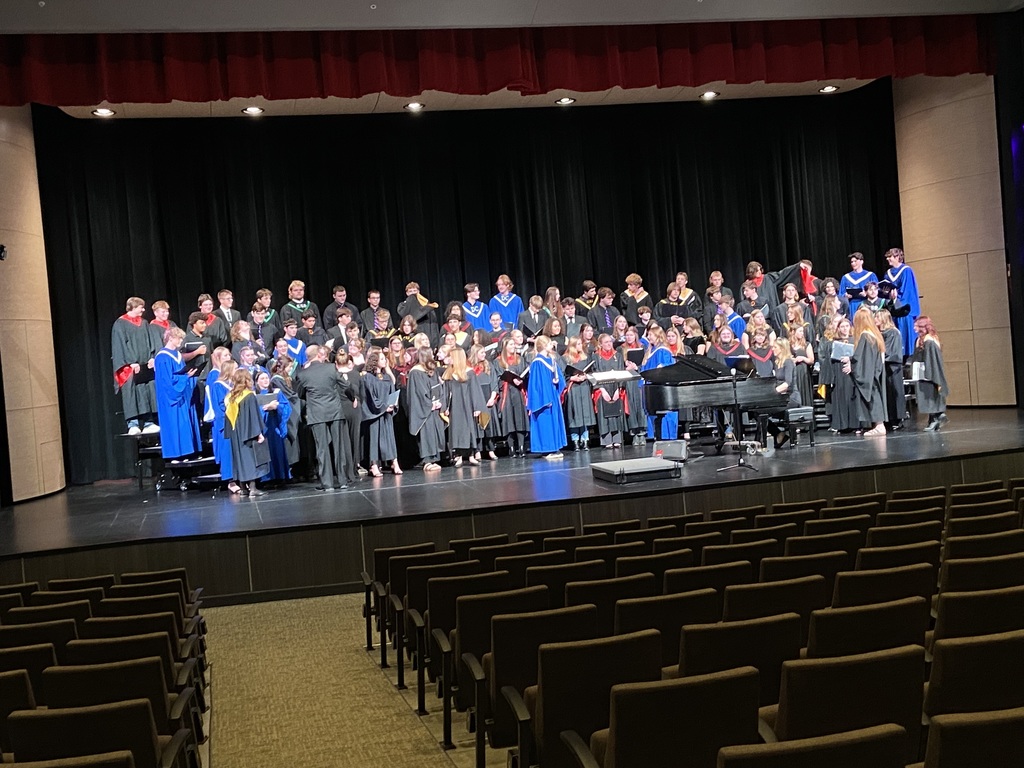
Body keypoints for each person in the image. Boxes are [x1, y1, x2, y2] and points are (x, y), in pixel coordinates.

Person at [295, 344, 354, 490]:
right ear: (319, 354)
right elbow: (346, 386)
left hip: (316, 413)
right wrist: (353, 398)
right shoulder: (330, 368)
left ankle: (327, 484)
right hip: (334, 411)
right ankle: (342, 481)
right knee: (339, 446)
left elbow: (299, 393)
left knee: (322, 449)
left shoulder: (303, 374)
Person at [153, 327, 201, 459]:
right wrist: (185, 378)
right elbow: (167, 382)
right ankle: (176, 455)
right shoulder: (162, 357)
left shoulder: (178, 355)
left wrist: (189, 375)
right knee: (175, 425)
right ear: (170, 338)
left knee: (185, 423)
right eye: (179, 338)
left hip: (183, 394)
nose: (181, 341)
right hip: (171, 399)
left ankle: (189, 452)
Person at [112, 297, 158, 435]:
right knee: (132, 393)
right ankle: (133, 423)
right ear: (133, 307)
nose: (143, 310)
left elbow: (151, 342)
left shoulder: (144, 323)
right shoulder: (120, 324)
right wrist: (130, 362)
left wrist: (151, 358)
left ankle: (149, 421)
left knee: (147, 390)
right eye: (141, 307)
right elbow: (119, 346)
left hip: (145, 366)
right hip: (129, 367)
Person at [224, 369, 271, 496]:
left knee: (239, 459)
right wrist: (259, 433)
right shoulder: (248, 395)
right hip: (248, 432)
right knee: (250, 459)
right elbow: (254, 416)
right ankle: (253, 489)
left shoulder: (230, 397)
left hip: (236, 434)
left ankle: (243, 489)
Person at [844, 308, 887, 437]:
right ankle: (878, 425)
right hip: (875, 372)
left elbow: (861, 358)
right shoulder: (874, 334)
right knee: (875, 395)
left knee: (874, 396)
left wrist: (851, 364)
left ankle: (879, 426)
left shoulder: (865, 336)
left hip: (870, 373)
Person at [361, 348, 402, 476]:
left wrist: (392, 404)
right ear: (375, 361)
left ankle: (394, 462)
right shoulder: (367, 377)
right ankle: (374, 465)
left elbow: (392, 393)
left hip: (387, 413)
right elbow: (370, 397)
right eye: (382, 359)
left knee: (390, 438)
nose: (385, 361)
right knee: (374, 439)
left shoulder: (386, 377)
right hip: (375, 414)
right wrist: (383, 407)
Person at [442, 347, 486, 466]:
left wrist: (476, 407)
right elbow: (446, 392)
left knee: (468, 429)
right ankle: (459, 456)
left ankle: (471, 455)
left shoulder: (469, 373)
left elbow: (475, 391)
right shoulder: (449, 373)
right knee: (457, 430)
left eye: (451, 357)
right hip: (455, 407)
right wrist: (445, 407)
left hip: (467, 406)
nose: (448, 359)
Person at [406, 348, 447, 471]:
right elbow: (418, 393)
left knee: (434, 432)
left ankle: (434, 458)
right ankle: (426, 460)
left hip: (434, 407)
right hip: (425, 408)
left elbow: (439, 387)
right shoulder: (416, 372)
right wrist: (430, 404)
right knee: (426, 433)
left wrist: (440, 401)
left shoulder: (432, 371)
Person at [527, 335, 567, 459]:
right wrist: (545, 398)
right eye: (550, 344)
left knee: (554, 421)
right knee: (545, 422)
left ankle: (554, 447)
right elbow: (537, 384)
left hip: (553, 395)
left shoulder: (552, 360)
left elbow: (559, 377)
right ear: (544, 346)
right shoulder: (537, 363)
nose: (552, 346)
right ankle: (546, 449)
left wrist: (557, 380)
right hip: (544, 399)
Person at [641, 325, 679, 440]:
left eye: (650, 335)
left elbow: (665, 370)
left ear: (657, 336)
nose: (648, 337)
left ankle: (668, 439)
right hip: (652, 390)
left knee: (665, 416)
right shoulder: (651, 351)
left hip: (662, 392)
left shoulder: (663, 351)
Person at [254, 370, 292, 483]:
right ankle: (267, 479)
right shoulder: (253, 394)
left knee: (277, 450)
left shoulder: (277, 392)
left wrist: (277, 407)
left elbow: (286, 407)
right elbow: (253, 411)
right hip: (263, 428)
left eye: (267, 378)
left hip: (275, 425)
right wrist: (265, 408)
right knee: (265, 451)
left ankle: (280, 477)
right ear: (256, 382)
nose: (265, 380)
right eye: (262, 378)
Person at [883, 247, 921, 358]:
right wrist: (886, 293)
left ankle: (908, 358)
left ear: (897, 257)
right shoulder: (888, 273)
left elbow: (907, 290)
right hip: (893, 310)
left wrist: (896, 298)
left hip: (904, 310)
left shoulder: (906, 271)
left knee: (906, 337)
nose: (888, 259)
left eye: (890, 257)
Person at [495, 336, 529, 457]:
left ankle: (521, 446)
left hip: (518, 392)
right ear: (504, 347)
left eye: (513, 344)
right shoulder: (498, 361)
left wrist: (521, 380)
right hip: (506, 393)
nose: (513, 347)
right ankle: (511, 448)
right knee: (508, 419)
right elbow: (497, 377)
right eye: (510, 344)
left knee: (520, 419)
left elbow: (525, 373)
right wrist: (509, 380)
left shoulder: (520, 359)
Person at [914, 315, 949, 431]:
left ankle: (935, 418)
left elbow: (930, 360)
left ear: (923, 327)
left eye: (917, 326)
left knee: (930, 395)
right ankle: (935, 419)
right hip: (926, 372)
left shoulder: (929, 341)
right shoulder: (924, 339)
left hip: (928, 373)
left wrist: (929, 374)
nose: (914, 329)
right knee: (930, 395)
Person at [209, 360, 240, 493]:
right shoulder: (218, 386)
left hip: (237, 423)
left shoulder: (234, 384)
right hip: (226, 425)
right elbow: (220, 406)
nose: (238, 370)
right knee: (227, 452)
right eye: (236, 368)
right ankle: (231, 481)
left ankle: (241, 478)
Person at [591, 333, 626, 448]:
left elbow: (621, 372)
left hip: (615, 388)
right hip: (602, 389)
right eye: (606, 342)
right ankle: (606, 440)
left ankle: (617, 439)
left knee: (616, 413)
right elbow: (594, 373)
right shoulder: (596, 356)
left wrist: (618, 389)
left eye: (610, 342)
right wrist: (602, 390)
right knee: (604, 414)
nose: (609, 344)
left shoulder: (618, 356)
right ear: (600, 344)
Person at [269, 355, 301, 472]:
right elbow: (289, 396)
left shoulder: (283, 379)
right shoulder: (276, 380)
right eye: (289, 367)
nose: (290, 369)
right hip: (284, 416)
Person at [562, 336, 595, 451]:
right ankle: (575, 440)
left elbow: (592, 371)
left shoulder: (586, 357)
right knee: (575, 414)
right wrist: (572, 378)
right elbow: (563, 375)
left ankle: (585, 440)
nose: (581, 346)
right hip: (573, 388)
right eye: (579, 344)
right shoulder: (565, 359)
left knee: (585, 413)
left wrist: (586, 376)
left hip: (584, 387)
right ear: (573, 345)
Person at [470, 344, 502, 460]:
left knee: (489, 425)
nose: (484, 354)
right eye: (481, 353)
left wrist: (492, 397)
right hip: (477, 397)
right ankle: (477, 450)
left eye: (484, 352)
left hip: (488, 395)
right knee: (478, 425)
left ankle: (491, 449)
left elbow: (494, 382)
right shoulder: (470, 368)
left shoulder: (489, 365)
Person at [875, 309, 906, 430]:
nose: (875, 320)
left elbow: (890, 351)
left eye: (877, 317)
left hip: (893, 367)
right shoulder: (880, 333)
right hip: (883, 366)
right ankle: (888, 417)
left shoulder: (893, 333)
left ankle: (897, 418)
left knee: (895, 392)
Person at [829, 316, 859, 433]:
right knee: (841, 396)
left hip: (852, 372)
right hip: (839, 371)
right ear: (838, 328)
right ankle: (842, 425)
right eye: (842, 326)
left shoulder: (855, 340)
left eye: (847, 326)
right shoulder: (835, 342)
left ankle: (855, 424)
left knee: (852, 396)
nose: (845, 329)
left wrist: (851, 360)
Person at [398, 282, 440, 347]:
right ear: (407, 293)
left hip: (425, 333)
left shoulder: (427, 306)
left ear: (418, 292)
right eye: (410, 291)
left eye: (415, 291)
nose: (413, 293)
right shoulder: (402, 306)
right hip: (410, 339)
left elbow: (433, 326)